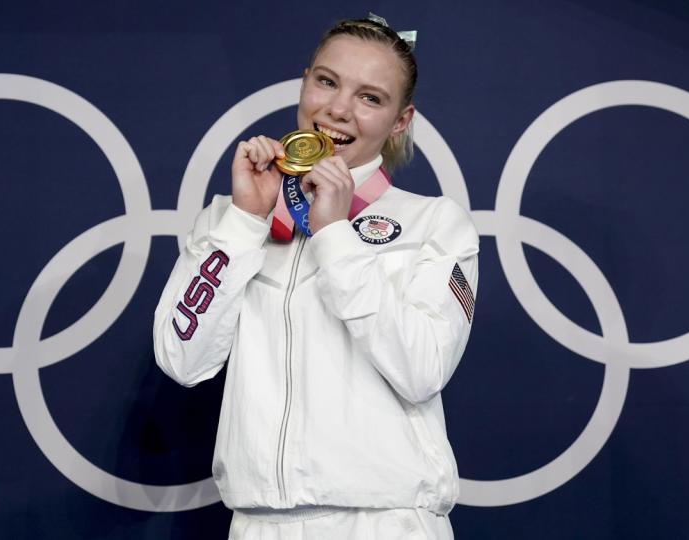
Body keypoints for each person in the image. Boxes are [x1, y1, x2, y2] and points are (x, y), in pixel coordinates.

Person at [154, 15, 479, 539]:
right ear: (305, 81)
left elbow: (422, 369)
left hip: (384, 522)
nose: (338, 109)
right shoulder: (232, 215)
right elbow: (180, 358)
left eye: (371, 98)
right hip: (258, 523)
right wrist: (243, 223)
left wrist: (334, 235)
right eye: (326, 82)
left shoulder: (435, 223)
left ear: (401, 120)